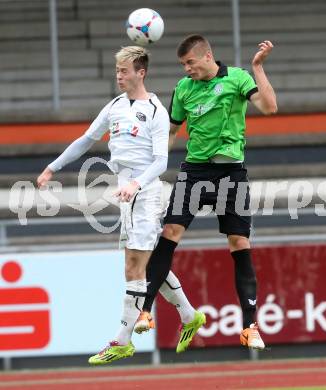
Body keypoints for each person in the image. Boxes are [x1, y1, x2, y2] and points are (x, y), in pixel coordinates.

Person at [37, 46, 205, 364]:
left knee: (132, 267)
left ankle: (122, 339)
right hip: (126, 192)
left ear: (140, 73)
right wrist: (52, 167)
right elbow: (86, 140)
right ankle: (188, 314)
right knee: (147, 263)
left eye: (124, 71)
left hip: (145, 191)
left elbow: (160, 161)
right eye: (117, 70)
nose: (119, 75)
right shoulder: (114, 107)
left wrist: (135, 184)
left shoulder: (155, 110)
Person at [134, 35, 278, 351]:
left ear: (207, 56)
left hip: (232, 173)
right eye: (183, 65)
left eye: (190, 63)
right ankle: (145, 311)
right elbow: (171, 132)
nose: (187, 70)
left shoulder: (238, 78)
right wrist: (150, 171)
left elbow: (269, 107)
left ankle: (249, 326)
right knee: (170, 231)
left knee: (239, 242)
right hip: (195, 172)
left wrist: (258, 68)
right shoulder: (183, 89)